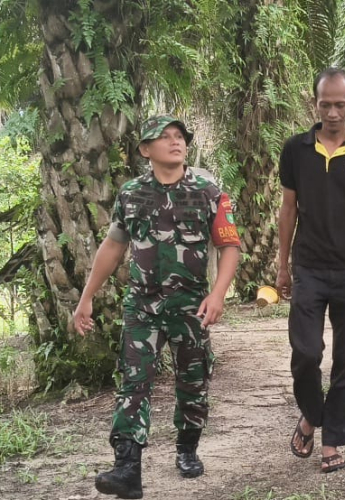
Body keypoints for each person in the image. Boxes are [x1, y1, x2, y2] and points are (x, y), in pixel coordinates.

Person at [73, 116, 241, 498]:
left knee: (193, 382)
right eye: (165, 137)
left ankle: (187, 448)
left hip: (191, 305)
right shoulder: (131, 194)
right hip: (142, 305)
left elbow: (229, 246)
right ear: (145, 149)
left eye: (179, 136)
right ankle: (127, 468)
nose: (175, 141)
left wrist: (218, 294)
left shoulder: (208, 191)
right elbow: (113, 247)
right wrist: (86, 297)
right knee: (134, 382)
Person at [276, 68, 345, 473]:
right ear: (315, 104)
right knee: (306, 353)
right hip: (308, 267)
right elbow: (288, 209)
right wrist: (282, 265)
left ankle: (331, 442)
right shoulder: (295, 149)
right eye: (326, 105)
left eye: (341, 104)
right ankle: (311, 414)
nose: (333, 112)